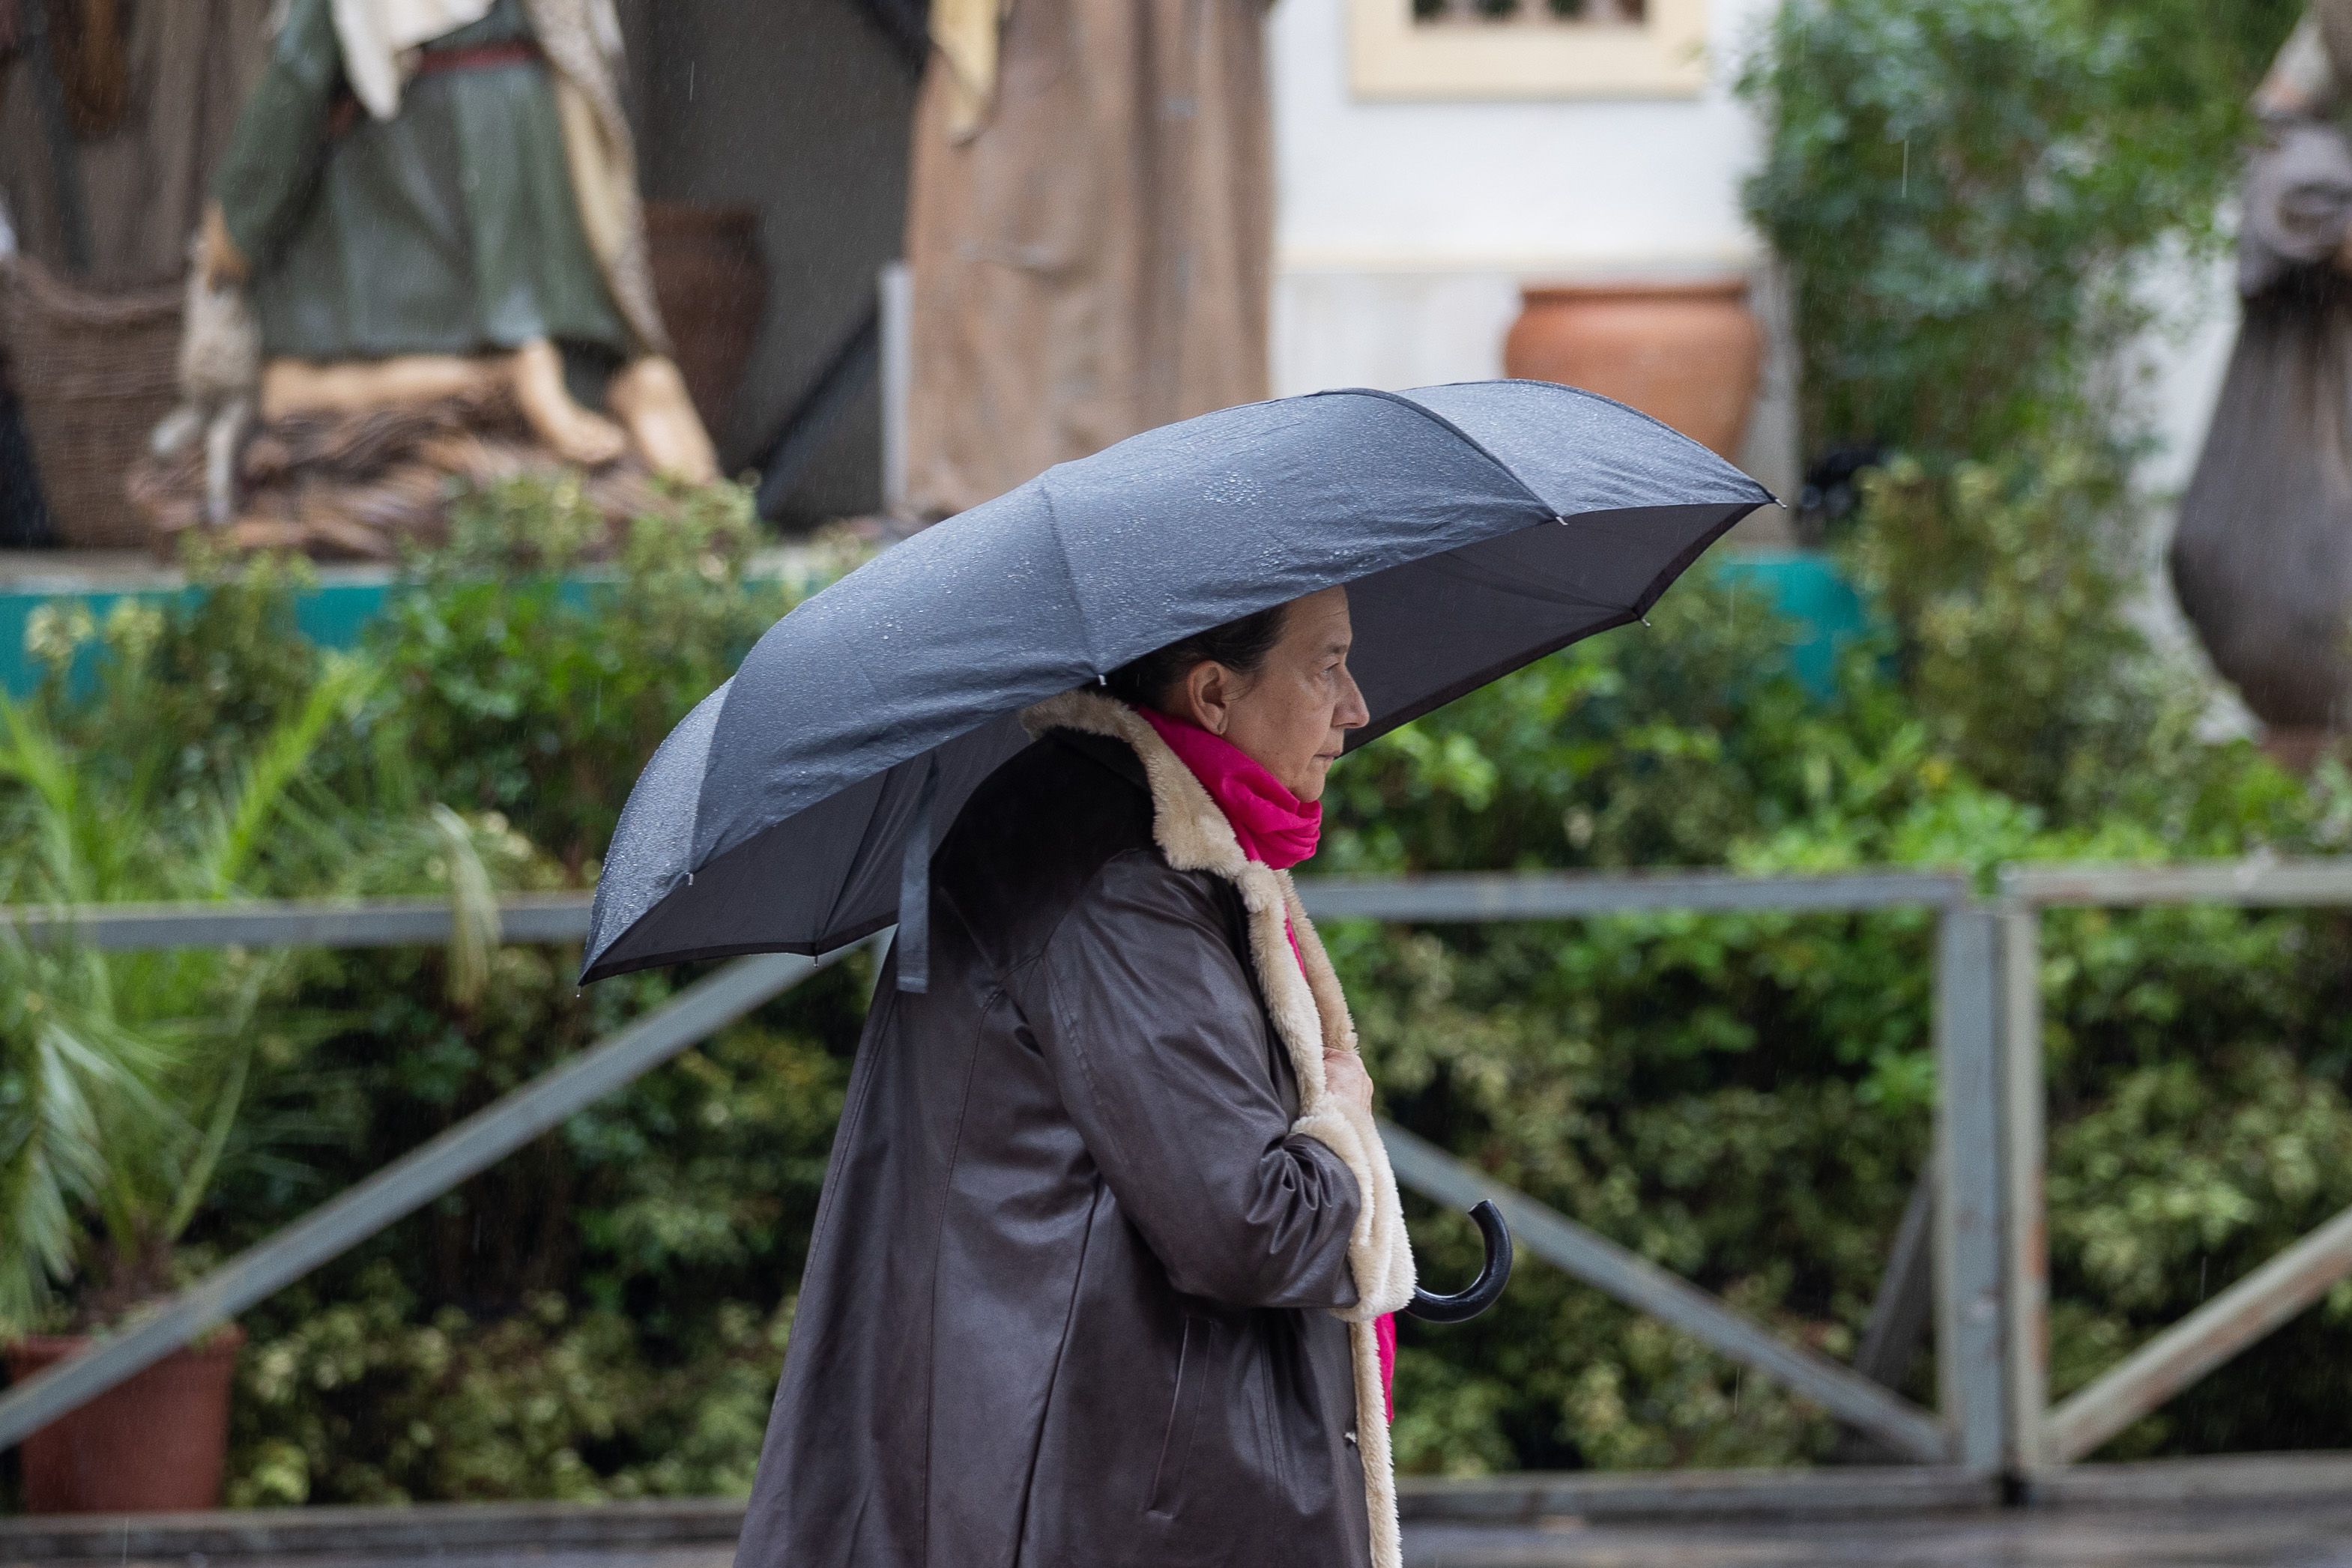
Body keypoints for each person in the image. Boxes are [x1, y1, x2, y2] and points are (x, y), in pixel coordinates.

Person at [734, 584, 1418, 1568]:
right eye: (1325, 665)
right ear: (1214, 692)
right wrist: (1341, 1135)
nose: (1354, 706)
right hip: (1109, 1496)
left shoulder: (1100, 825)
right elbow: (1249, 1222)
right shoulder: (1120, 883)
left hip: (1054, 1462)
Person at [197, 0, 716, 482]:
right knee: (576, 368)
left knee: (288, 392)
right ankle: (627, 384)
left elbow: (300, 76)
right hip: (531, 150)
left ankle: (498, 377)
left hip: (428, 169)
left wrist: (239, 220)